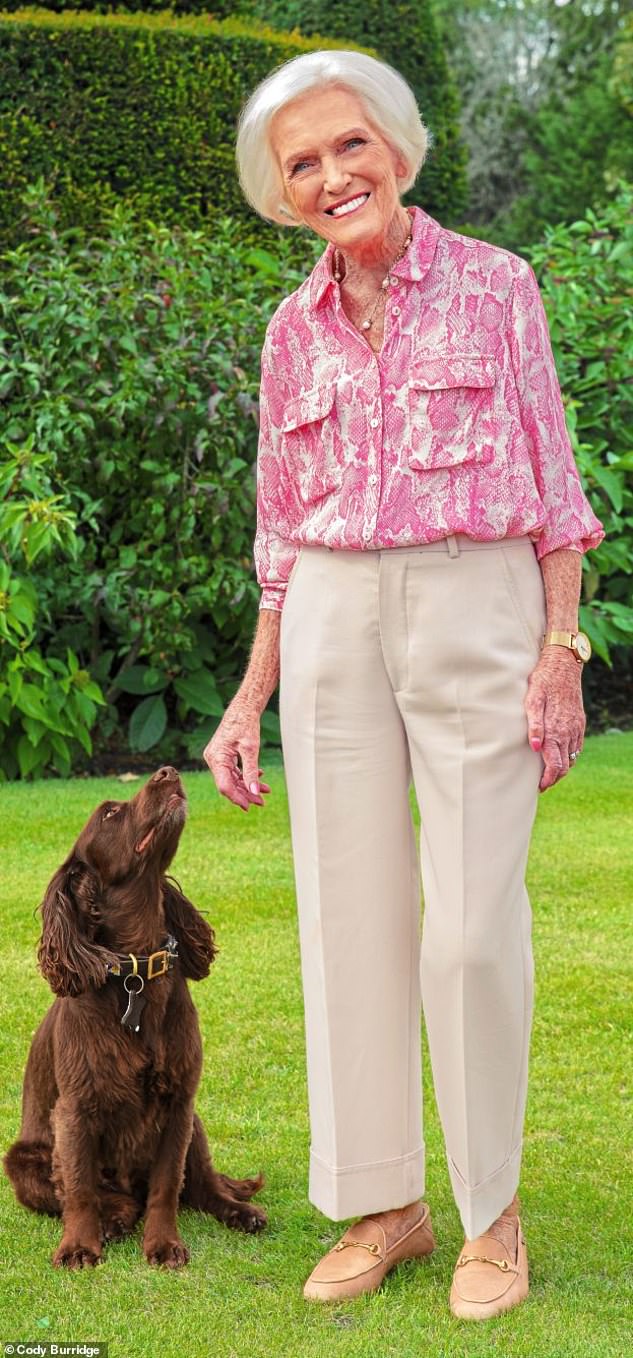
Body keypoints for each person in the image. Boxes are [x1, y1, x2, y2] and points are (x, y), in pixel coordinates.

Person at [204, 50, 604, 1320]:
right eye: (303, 163)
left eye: (349, 146)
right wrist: (251, 690)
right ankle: (387, 1200)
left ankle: (492, 1207)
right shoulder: (289, 330)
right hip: (325, 610)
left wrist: (560, 651)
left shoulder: (497, 286)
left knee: (473, 923)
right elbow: (276, 532)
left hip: (471, 598)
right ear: (284, 193)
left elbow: (557, 502)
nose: (332, 176)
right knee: (346, 913)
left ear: (399, 149)